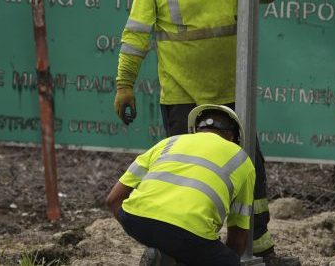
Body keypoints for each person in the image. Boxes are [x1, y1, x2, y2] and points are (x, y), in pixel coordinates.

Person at [113, 0, 281, 257]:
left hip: (233, 94)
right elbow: (135, 39)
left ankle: (259, 247)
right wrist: (124, 84)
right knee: (186, 174)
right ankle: (182, 249)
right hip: (181, 98)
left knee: (251, 171)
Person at [105, 104, 256, 266]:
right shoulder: (242, 160)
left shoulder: (167, 143)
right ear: (233, 138)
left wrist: (141, 229)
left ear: (197, 129)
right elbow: (238, 238)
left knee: (177, 244)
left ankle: (165, 257)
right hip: (189, 235)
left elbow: (113, 199)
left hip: (137, 221)